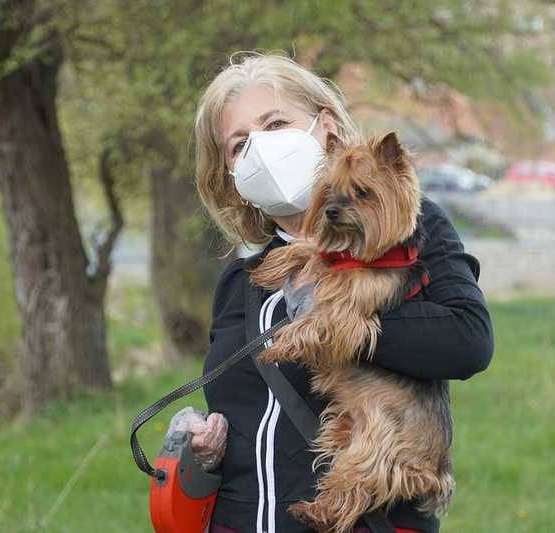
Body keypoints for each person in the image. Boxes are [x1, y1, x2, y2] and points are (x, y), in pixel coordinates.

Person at [182, 52, 494, 533]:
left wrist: (337, 318)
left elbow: (469, 341)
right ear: (229, 173)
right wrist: (209, 445)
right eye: (239, 144)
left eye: (276, 123)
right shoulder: (242, 279)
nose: (261, 150)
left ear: (324, 125)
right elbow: (247, 411)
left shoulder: (410, 237)